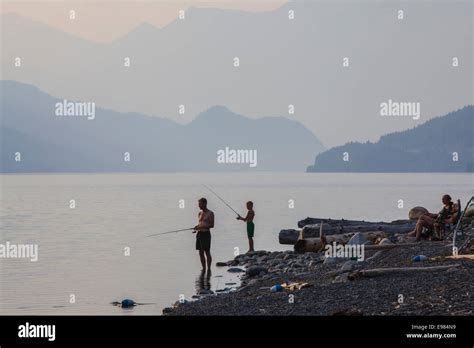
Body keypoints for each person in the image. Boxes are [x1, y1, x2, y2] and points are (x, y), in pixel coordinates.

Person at [194, 198, 214, 272]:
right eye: (199, 204)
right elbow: (200, 224)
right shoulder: (200, 213)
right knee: (200, 252)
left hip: (206, 234)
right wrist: (197, 227)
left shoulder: (210, 213)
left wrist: (202, 227)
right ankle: (204, 268)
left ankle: (209, 268)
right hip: (199, 234)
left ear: (205, 203)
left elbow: (212, 225)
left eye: (200, 204)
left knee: (207, 251)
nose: (199, 205)